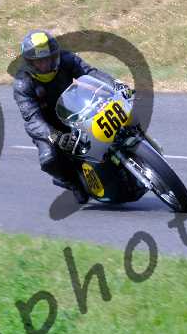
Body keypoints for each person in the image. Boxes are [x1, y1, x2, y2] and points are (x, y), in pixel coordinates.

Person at [12, 29, 117, 204]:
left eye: (48, 58)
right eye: (39, 61)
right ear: (30, 63)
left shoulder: (67, 59)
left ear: (55, 55)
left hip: (75, 109)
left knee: (112, 112)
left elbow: (90, 73)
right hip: (48, 125)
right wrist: (56, 136)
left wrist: (115, 85)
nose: (45, 65)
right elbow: (32, 118)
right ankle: (73, 182)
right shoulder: (23, 84)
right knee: (48, 158)